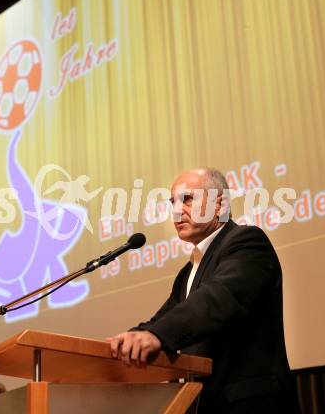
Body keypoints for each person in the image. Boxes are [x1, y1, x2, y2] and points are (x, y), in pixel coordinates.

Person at [107, 168, 300, 413]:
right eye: (172, 202)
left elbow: (218, 298)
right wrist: (127, 340)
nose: (176, 210)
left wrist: (156, 336)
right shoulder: (189, 270)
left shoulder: (247, 242)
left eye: (187, 199)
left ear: (219, 205)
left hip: (249, 404)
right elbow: (163, 319)